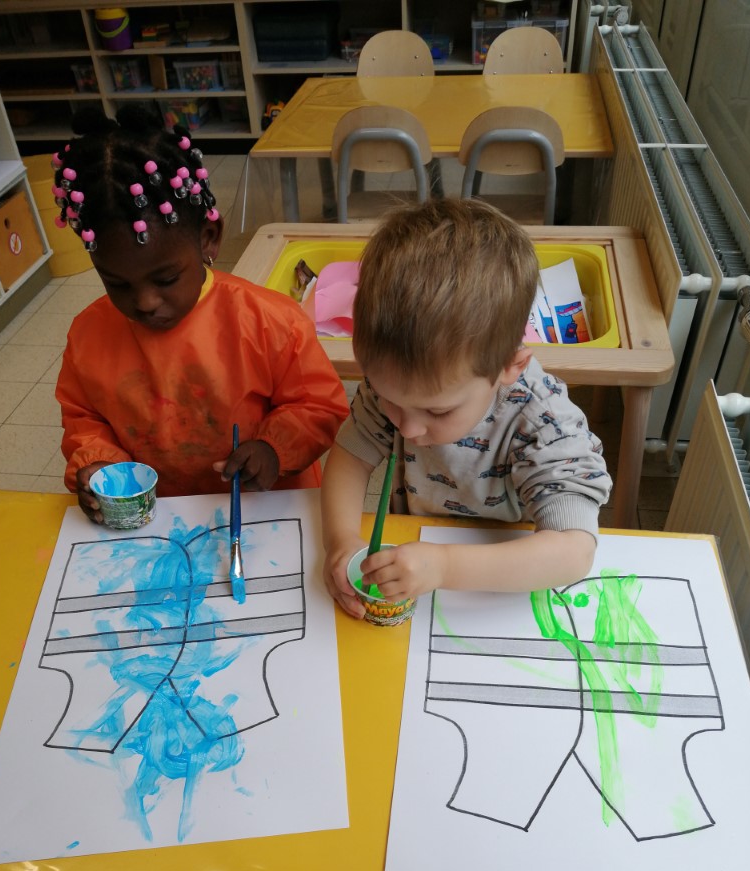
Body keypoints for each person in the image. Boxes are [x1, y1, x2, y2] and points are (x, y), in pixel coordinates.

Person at [53, 105, 348, 522]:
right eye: (117, 283)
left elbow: (318, 405)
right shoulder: (89, 335)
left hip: (265, 509)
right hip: (163, 516)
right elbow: (84, 418)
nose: (145, 302)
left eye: (166, 278)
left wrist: (274, 448)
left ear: (208, 238)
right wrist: (98, 463)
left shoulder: (270, 322)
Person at [321, 199, 612, 618]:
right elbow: (350, 456)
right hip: (417, 561)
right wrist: (341, 540)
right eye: (388, 399)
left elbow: (574, 551)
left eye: (437, 412)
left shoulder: (542, 420)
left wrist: (444, 566)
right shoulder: (399, 384)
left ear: (510, 367)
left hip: (503, 585)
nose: (408, 428)